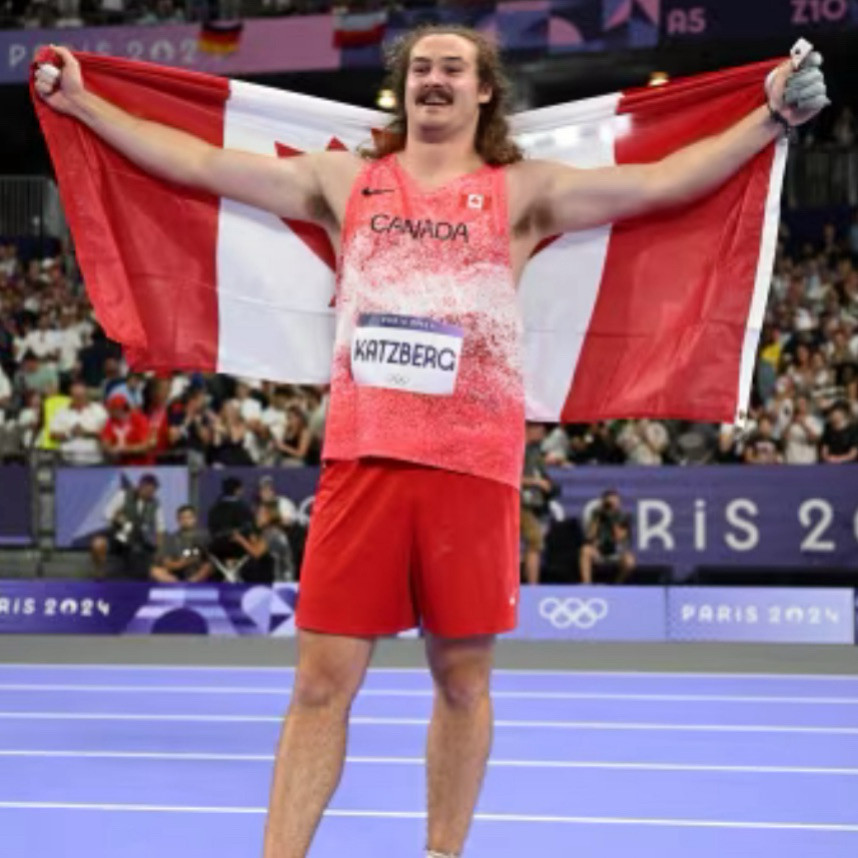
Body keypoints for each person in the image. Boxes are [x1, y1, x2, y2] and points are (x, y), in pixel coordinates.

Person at [35, 30, 829, 858]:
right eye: (421, 68)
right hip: (362, 463)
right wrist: (86, 103)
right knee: (318, 686)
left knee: (461, 682)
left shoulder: (520, 191)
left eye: (454, 69)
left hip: (472, 469)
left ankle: (442, 854)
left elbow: (663, 183)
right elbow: (196, 165)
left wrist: (768, 118)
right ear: (402, 88)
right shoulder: (344, 180)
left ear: (484, 91)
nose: (434, 80)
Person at [102, 473, 166, 579]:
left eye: (153, 490)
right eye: (147, 489)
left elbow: (160, 527)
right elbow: (107, 512)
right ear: (140, 486)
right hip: (120, 536)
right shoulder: (123, 495)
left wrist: (159, 549)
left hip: (141, 540)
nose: (150, 493)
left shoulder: (155, 503)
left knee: (140, 560)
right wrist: (119, 519)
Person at [519, 422, 555, 585]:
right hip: (516, 503)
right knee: (535, 540)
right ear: (529, 429)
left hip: (531, 504)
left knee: (529, 543)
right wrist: (537, 482)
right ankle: (533, 587)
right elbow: (513, 478)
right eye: (540, 428)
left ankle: (527, 583)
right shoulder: (516, 449)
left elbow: (540, 470)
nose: (543, 432)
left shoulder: (535, 451)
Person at [579, 489, 636, 584]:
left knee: (630, 562)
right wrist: (597, 518)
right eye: (609, 503)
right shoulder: (597, 515)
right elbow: (590, 536)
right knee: (585, 550)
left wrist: (612, 518)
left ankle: (617, 584)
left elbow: (619, 538)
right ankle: (586, 585)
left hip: (616, 552)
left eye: (615, 503)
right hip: (599, 551)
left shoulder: (624, 517)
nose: (611, 506)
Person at [150, 504, 212, 583]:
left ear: (195, 519)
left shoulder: (205, 536)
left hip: (198, 572)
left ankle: (191, 582)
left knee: (208, 566)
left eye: (189, 517)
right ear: (178, 520)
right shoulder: (171, 539)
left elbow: (210, 559)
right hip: (177, 573)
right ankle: (177, 585)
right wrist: (181, 563)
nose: (186, 520)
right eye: (183, 518)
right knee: (155, 571)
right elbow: (166, 562)